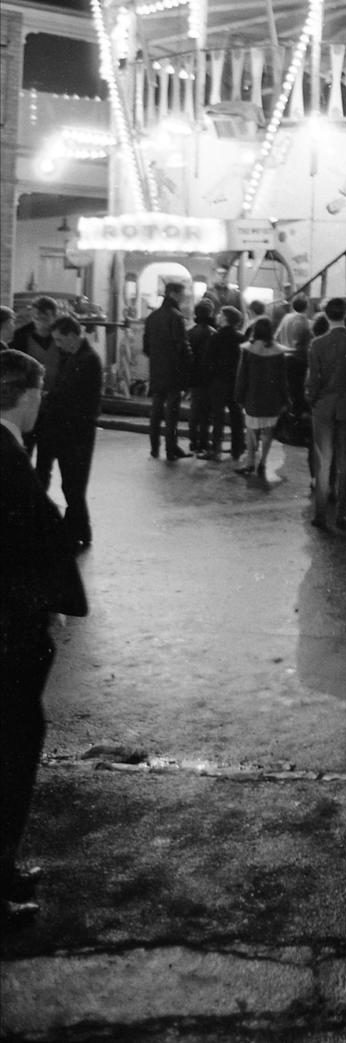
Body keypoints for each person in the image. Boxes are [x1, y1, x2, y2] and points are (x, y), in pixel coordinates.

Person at [0, 350, 88, 922]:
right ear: (27, 394)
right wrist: (45, 607)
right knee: (11, 748)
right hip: (10, 629)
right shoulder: (5, 455)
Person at [306, 296, 346, 530]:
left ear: (325, 315)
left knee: (324, 460)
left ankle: (321, 513)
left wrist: (312, 401)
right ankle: (343, 513)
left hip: (324, 406)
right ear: (345, 314)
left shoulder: (317, 344)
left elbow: (313, 380)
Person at [47, 316, 104, 551]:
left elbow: (71, 393)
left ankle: (78, 530)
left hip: (78, 430)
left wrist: (51, 397)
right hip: (71, 428)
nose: (58, 344)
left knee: (74, 483)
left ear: (72, 335)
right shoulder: (74, 356)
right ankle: (78, 529)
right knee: (71, 483)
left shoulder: (87, 359)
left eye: (60, 339)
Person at [234, 316, 288, 483]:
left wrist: (239, 396)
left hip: (253, 396)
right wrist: (285, 400)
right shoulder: (279, 352)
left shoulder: (248, 350)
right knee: (268, 431)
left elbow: (241, 376)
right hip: (272, 398)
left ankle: (250, 461)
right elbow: (282, 379)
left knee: (251, 430)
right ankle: (263, 461)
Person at [12, 297, 60, 482]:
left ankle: (39, 501)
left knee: (46, 460)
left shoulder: (59, 336)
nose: (40, 319)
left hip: (52, 407)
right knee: (23, 454)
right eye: (37, 315)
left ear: (54, 316)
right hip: (27, 404)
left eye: (44, 315)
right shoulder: (21, 337)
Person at [142, 281, 190, 460]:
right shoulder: (176, 317)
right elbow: (181, 346)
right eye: (182, 293)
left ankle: (154, 448)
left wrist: (157, 358)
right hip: (173, 370)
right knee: (172, 412)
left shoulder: (152, 317)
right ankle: (171, 448)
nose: (184, 297)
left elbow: (146, 346)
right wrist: (186, 366)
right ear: (174, 294)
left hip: (156, 369)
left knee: (156, 409)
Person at [205, 305, 245, 462]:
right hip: (235, 381)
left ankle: (216, 449)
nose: (217, 317)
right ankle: (237, 448)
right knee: (236, 416)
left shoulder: (216, 337)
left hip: (218, 382)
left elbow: (208, 360)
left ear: (226, 319)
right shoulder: (241, 338)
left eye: (221, 315)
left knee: (218, 416)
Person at [186, 298, 217, 458]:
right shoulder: (213, 333)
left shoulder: (190, 333)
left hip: (194, 375)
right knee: (206, 412)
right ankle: (203, 442)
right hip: (208, 377)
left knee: (195, 409)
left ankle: (193, 441)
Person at [274, 293, 313, 416]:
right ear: (306, 306)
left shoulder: (286, 318)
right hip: (298, 360)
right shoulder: (303, 321)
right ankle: (296, 421)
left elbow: (276, 337)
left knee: (288, 391)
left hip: (284, 358)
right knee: (298, 391)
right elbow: (300, 342)